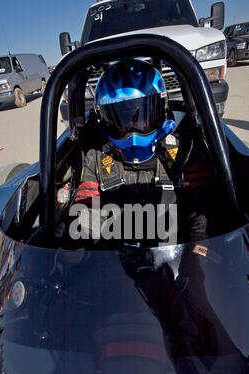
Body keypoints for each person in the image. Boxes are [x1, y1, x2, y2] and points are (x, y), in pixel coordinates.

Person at [71, 58, 217, 245]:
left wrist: (196, 258)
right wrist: (80, 251)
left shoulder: (184, 150)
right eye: (122, 117)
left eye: (139, 115)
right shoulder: (96, 159)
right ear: (103, 119)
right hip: (115, 259)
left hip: (175, 255)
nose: (132, 127)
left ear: (160, 110)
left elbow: (203, 209)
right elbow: (87, 213)